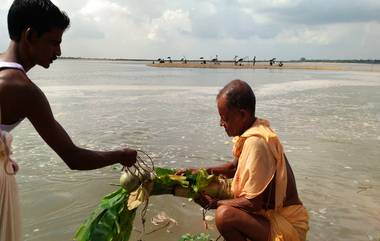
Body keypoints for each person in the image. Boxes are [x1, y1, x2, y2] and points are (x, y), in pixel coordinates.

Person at [0, 1, 137, 240]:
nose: (58, 52)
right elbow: (73, 158)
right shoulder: (22, 89)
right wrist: (121, 155)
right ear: (30, 35)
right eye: (54, 42)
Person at [178, 79, 309, 241]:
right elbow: (234, 168)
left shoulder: (257, 143)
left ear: (242, 115)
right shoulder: (253, 130)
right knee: (209, 185)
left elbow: (253, 204)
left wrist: (214, 204)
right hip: (268, 214)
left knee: (225, 216)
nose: (221, 123)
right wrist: (200, 172)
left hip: (286, 224)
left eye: (224, 118)